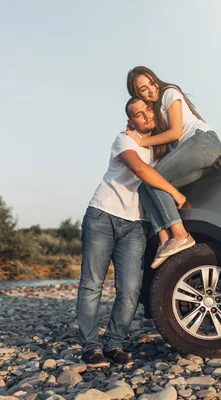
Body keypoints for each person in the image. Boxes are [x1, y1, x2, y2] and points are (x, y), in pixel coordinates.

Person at [77, 97, 187, 367]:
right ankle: (91, 346)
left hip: (137, 224)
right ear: (131, 122)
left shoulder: (161, 148)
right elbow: (139, 169)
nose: (145, 116)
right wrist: (174, 192)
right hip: (102, 216)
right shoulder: (124, 140)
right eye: (138, 114)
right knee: (92, 284)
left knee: (130, 288)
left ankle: (114, 344)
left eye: (147, 109)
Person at [126, 66, 221, 269]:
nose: (151, 90)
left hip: (202, 141)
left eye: (151, 83)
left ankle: (180, 235)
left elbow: (176, 133)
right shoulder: (156, 115)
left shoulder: (169, 93)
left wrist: (139, 141)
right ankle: (164, 240)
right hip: (198, 153)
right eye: (143, 89)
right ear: (137, 94)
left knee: (155, 177)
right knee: (146, 187)